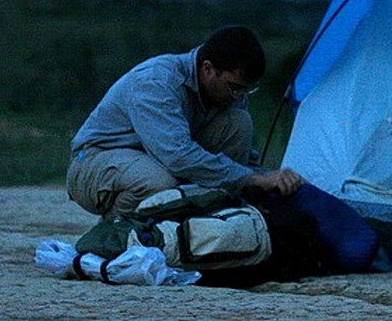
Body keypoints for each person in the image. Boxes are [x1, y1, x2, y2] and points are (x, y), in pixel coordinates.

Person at [66, 25, 303, 216]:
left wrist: (276, 179)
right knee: (157, 183)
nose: (239, 97)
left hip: (158, 159)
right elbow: (177, 156)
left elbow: (242, 163)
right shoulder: (157, 83)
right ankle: (117, 237)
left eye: (245, 90)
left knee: (238, 122)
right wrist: (255, 179)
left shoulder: (229, 93)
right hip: (95, 160)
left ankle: (209, 223)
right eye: (234, 88)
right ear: (208, 69)